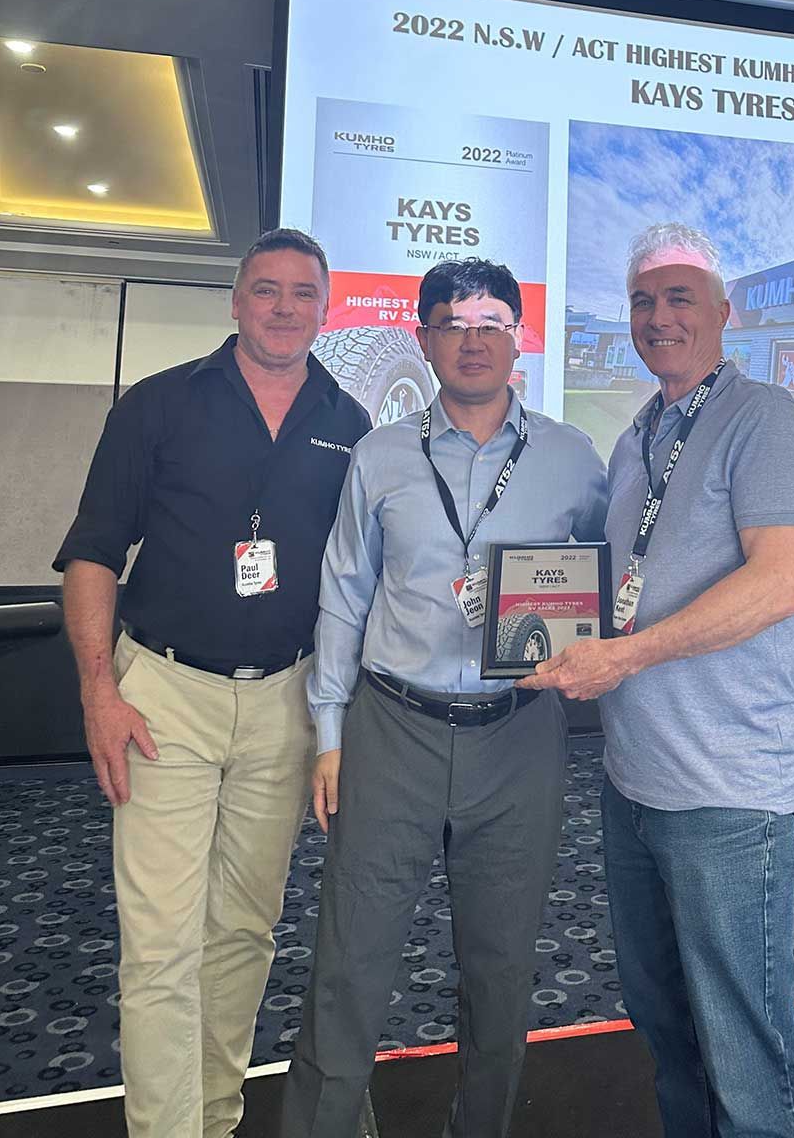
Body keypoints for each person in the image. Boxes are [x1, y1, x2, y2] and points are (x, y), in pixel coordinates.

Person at [54, 228, 372, 1138]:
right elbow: (92, 553)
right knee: (161, 941)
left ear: (325, 311)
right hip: (162, 696)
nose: (283, 308)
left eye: (303, 293)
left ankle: (214, 1117)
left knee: (241, 933)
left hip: (286, 701)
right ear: (235, 302)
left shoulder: (351, 425)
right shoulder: (159, 405)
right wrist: (98, 692)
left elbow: (359, 580)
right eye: (266, 290)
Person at [282, 257, 608, 1138]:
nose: (472, 340)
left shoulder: (573, 460)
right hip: (393, 730)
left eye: (491, 323)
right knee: (349, 963)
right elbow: (344, 595)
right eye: (453, 324)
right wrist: (329, 732)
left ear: (517, 340)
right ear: (424, 340)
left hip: (519, 738)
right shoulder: (380, 455)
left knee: (502, 970)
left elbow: (605, 579)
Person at [526, 222, 794, 1138]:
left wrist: (623, 657)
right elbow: (609, 578)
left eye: (678, 299)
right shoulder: (636, 439)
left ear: (723, 313)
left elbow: (778, 585)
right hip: (635, 784)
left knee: (749, 1056)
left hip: (728, 794)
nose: (658, 318)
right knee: (669, 1032)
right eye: (642, 302)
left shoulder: (764, 420)